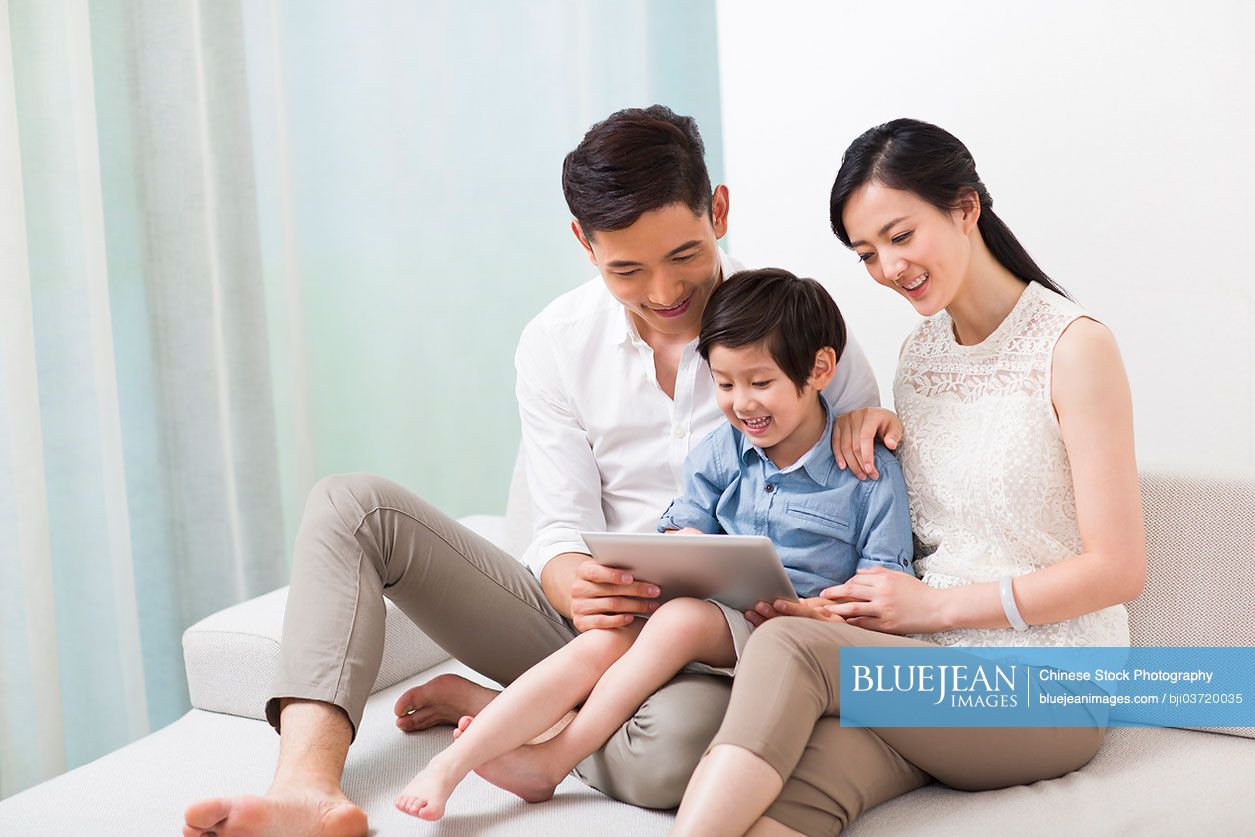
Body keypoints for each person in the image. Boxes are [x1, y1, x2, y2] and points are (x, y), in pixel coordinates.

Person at [182, 106, 882, 837]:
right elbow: (556, 520)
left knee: (670, 760)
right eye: (626, 269)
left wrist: (873, 423)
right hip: (585, 627)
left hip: (729, 649)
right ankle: (304, 789)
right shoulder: (556, 341)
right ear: (583, 242)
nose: (663, 291)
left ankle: (499, 713)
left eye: (683, 255)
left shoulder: (803, 326)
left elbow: (864, 491)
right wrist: (564, 572)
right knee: (351, 505)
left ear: (719, 210)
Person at [671, 118, 1147, 836]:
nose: (888, 268)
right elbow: (920, 517)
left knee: (785, 648)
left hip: (1048, 685)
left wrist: (931, 609)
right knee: (770, 806)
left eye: (900, 236)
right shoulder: (919, 355)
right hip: (924, 671)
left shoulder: (1075, 348)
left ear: (965, 207)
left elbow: (1117, 570)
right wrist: (867, 420)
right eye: (866, 253)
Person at [393, 268, 913, 820]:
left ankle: (555, 755)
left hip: (798, 639)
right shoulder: (722, 450)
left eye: (760, 384)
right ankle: (454, 765)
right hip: (720, 619)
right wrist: (684, 550)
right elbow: (684, 523)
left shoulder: (865, 470)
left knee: (681, 623)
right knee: (605, 640)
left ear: (819, 370)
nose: (741, 404)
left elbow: (884, 581)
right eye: (725, 384)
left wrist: (822, 611)